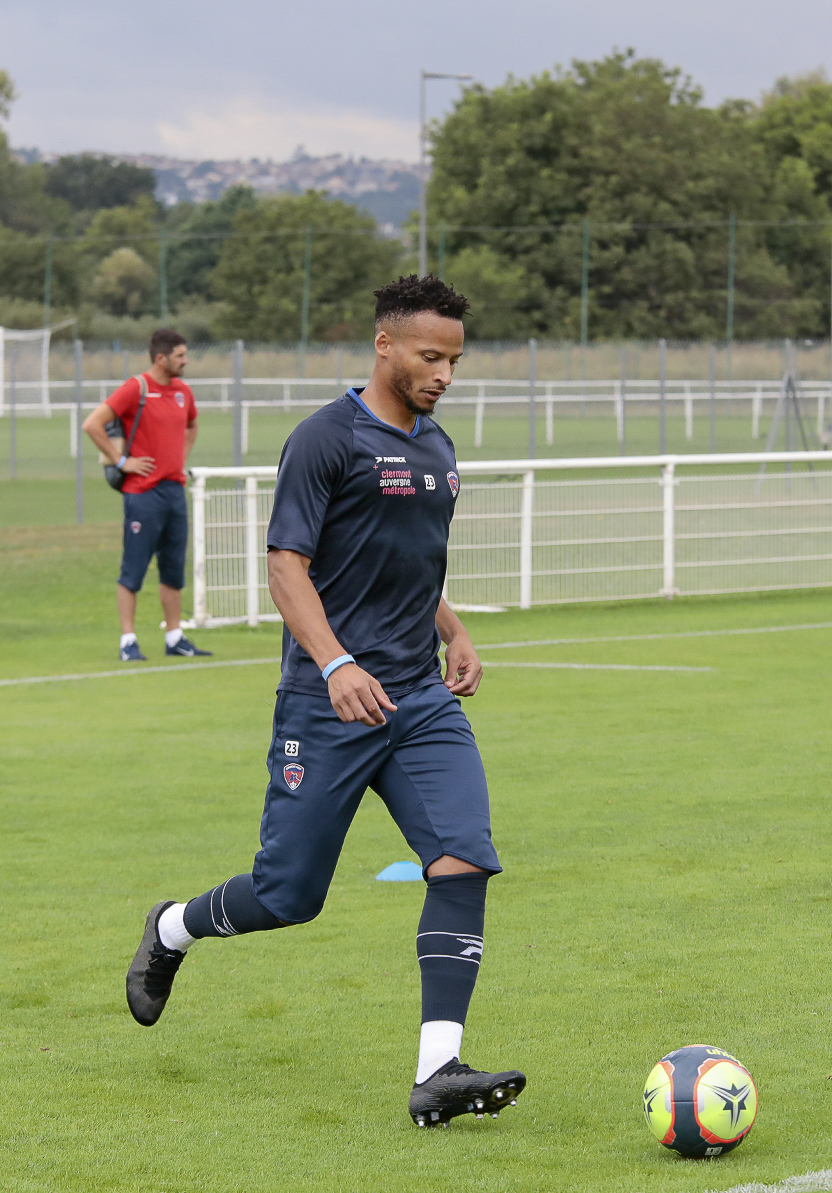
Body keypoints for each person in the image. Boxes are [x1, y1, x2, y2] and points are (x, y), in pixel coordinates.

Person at [123, 276, 525, 1128]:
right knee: (286, 897)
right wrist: (337, 661)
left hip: (418, 699)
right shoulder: (325, 440)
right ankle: (171, 930)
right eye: (429, 356)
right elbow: (286, 567)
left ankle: (439, 1069)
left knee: (463, 859)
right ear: (385, 346)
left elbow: (410, 563)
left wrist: (453, 629)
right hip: (329, 703)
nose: (444, 373)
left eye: (454, 359)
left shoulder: (438, 449)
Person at [82, 328, 211, 661]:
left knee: (173, 568)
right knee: (134, 569)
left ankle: (174, 637)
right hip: (142, 494)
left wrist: (181, 457)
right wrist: (122, 461)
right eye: (180, 356)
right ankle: (128, 641)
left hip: (174, 491)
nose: (186, 361)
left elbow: (193, 424)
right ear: (160, 358)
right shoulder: (135, 388)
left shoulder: (183, 391)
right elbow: (92, 424)